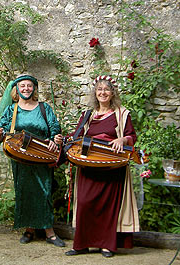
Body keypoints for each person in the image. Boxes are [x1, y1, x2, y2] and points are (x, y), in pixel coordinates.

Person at [64, 75, 139, 258]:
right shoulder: (87, 115)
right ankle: (82, 244)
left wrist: (122, 139)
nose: (103, 92)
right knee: (84, 203)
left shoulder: (122, 114)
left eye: (106, 89)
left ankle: (107, 245)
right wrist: (65, 140)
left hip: (112, 167)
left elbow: (131, 136)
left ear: (112, 93)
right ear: (95, 93)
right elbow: (77, 137)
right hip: (88, 165)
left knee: (108, 207)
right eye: (99, 89)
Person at [0, 74, 65, 247]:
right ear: (16, 89)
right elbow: (2, 132)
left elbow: (55, 128)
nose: (26, 89)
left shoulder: (44, 108)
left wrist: (55, 139)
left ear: (34, 89)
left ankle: (49, 232)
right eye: (22, 86)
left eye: (29, 86)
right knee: (24, 191)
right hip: (20, 157)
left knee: (44, 191)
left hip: (41, 155)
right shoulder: (12, 109)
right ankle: (29, 229)